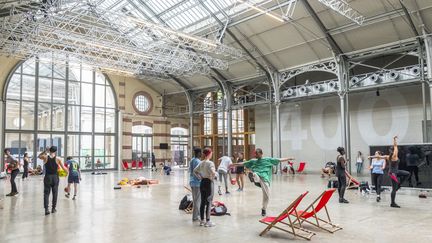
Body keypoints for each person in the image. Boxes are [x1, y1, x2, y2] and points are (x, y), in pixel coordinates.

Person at [232, 148, 293, 216]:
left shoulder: (268, 159)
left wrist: (289, 158)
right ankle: (253, 175)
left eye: (257, 154)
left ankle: (264, 209)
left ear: (261, 153)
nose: (255, 155)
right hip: (257, 176)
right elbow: (243, 163)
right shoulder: (253, 161)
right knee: (256, 174)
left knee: (267, 195)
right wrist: (234, 164)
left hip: (265, 179)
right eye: (255, 154)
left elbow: (279, 159)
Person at [38, 146, 68, 215]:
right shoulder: (58, 159)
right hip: (55, 177)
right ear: (55, 151)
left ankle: (46, 209)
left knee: (46, 193)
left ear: (49, 150)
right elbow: (64, 168)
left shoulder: (45, 157)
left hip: (47, 177)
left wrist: (45, 151)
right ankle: (53, 208)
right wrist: (67, 173)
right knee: (55, 193)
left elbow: (39, 156)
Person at [193, 147, 217, 227]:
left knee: (202, 202)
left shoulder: (201, 163)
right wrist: (213, 177)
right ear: (209, 154)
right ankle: (208, 221)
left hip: (202, 182)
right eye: (211, 153)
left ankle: (202, 221)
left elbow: (194, 171)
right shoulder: (210, 163)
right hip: (209, 183)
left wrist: (199, 177)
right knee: (209, 202)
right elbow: (213, 172)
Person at [189, 148, 202, 222]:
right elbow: (198, 172)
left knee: (195, 200)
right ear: (198, 153)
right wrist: (200, 178)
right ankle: (196, 217)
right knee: (197, 201)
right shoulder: (198, 161)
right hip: (197, 183)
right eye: (200, 153)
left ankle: (196, 215)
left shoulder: (192, 160)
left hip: (192, 182)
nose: (201, 154)